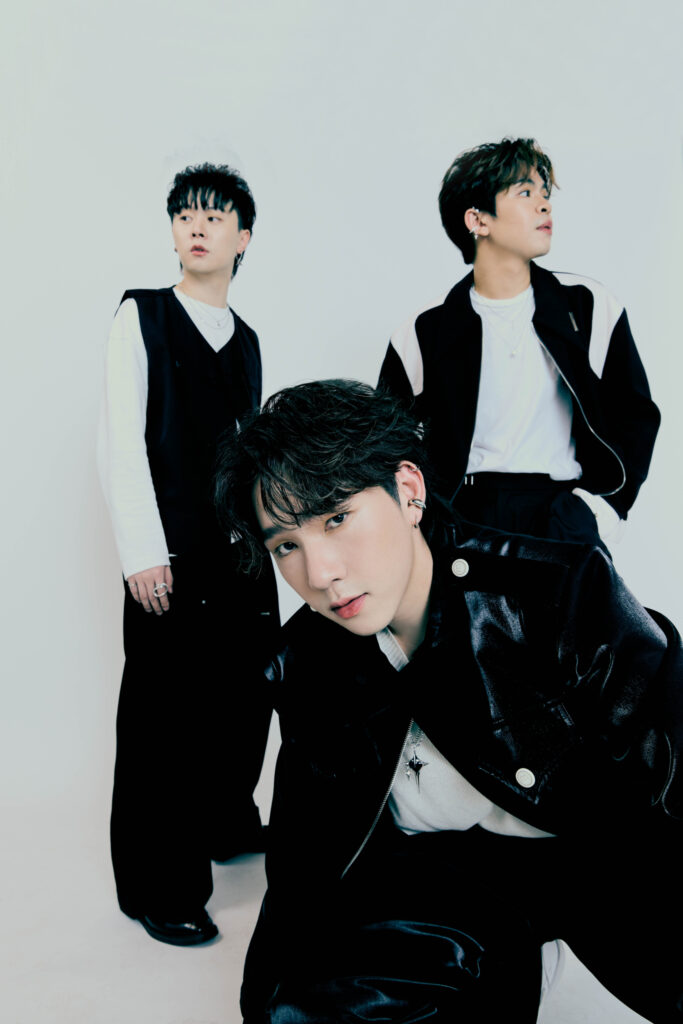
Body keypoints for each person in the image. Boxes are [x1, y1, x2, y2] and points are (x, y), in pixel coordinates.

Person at [214, 379, 682, 1023]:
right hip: (448, 889)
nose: (320, 575)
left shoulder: (555, 589)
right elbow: (306, 864)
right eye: (286, 546)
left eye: (337, 517)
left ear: (408, 490)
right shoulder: (306, 664)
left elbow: (671, 763)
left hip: (596, 857)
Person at [97, 163, 279, 946]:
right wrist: (143, 552)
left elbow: (247, 453)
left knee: (244, 698)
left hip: (239, 554)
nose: (197, 226)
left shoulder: (246, 342)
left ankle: (223, 821)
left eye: (215, 215)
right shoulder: (141, 317)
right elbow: (121, 440)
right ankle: (159, 886)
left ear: (244, 238)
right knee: (163, 721)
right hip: (169, 551)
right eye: (185, 215)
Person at [378, 137, 660, 550]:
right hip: (465, 519)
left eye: (545, 194)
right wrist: (426, 520)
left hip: (562, 514)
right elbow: (386, 446)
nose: (544, 205)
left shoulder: (588, 306)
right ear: (477, 220)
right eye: (525, 193)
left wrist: (604, 509)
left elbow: (635, 415)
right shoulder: (424, 330)